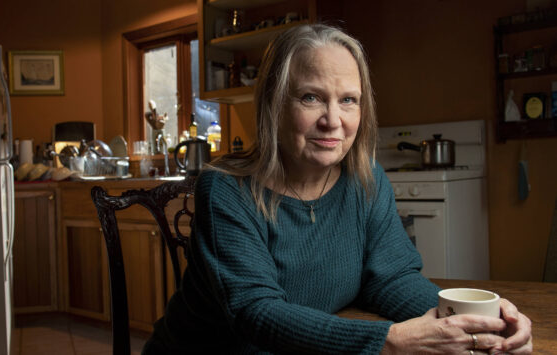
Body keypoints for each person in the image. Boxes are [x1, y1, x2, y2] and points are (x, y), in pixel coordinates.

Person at [143, 24, 532, 354]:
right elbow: (255, 312)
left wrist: (474, 322)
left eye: (348, 100)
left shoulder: (366, 179)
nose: (334, 120)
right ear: (275, 104)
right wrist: (391, 340)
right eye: (311, 97)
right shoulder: (227, 190)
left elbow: (391, 278)